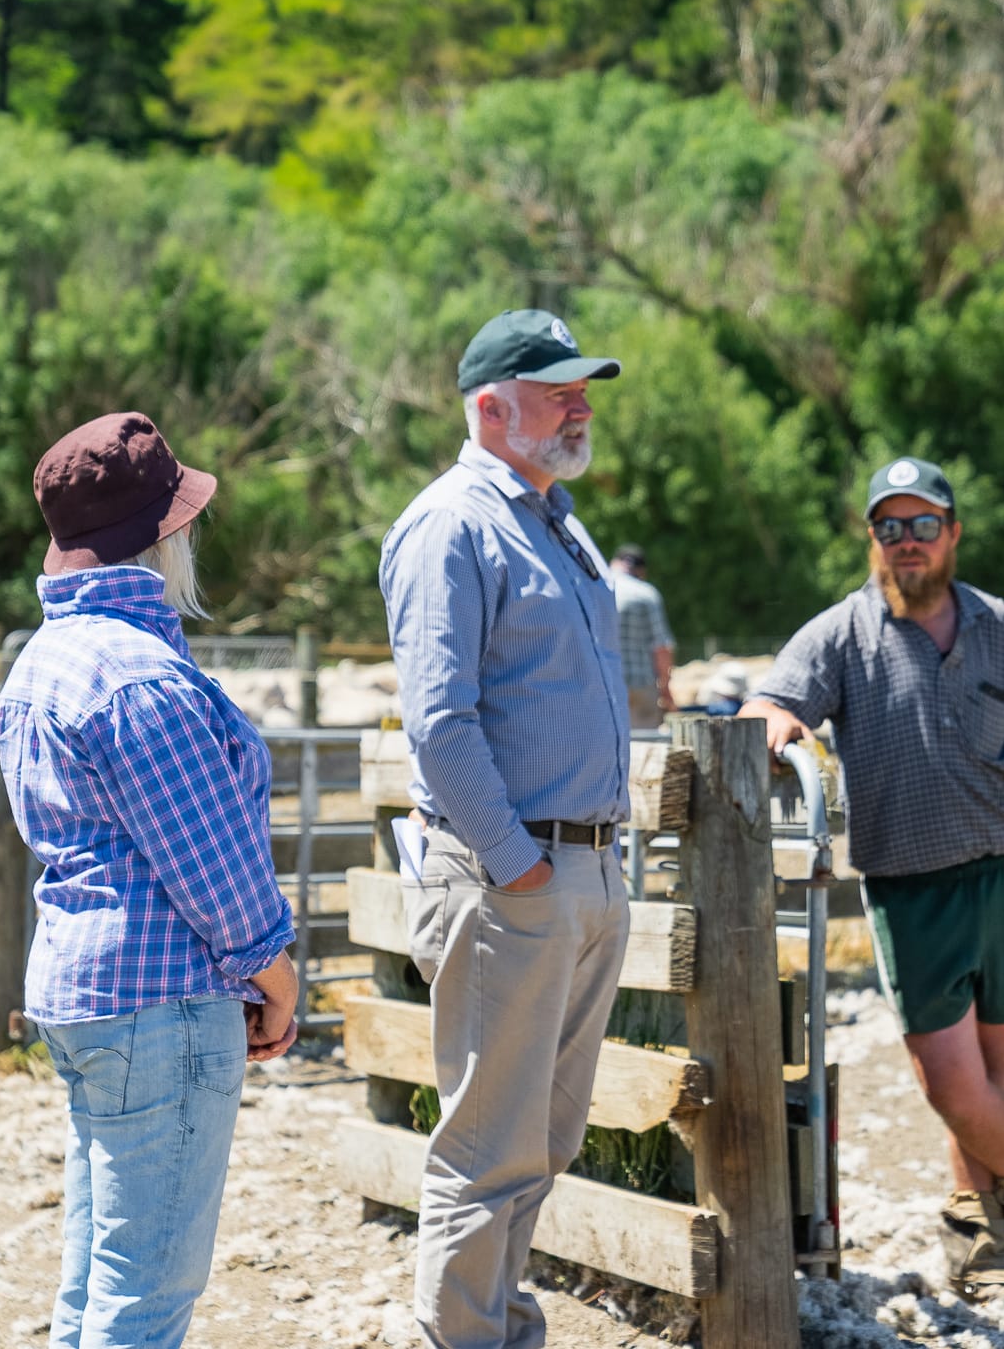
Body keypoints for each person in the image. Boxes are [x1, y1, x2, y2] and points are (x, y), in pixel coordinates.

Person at [742, 457, 1004, 1321]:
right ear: (873, 540)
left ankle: (980, 1244)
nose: (906, 542)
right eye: (888, 527)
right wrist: (776, 724)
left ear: (951, 532)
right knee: (952, 1087)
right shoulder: (844, 633)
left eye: (922, 525)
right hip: (910, 887)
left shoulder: (1000, 627)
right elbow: (770, 700)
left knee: (987, 1077)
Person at [0, 412, 301, 1349]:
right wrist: (276, 977)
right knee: (148, 1294)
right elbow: (214, 866)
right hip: (161, 1000)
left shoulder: (40, 663)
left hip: (85, 994)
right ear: (161, 535)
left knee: (97, 1278)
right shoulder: (140, 674)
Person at [378, 309, 632, 1349]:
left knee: (543, 1137)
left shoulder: (549, 516)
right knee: (489, 1146)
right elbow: (437, 722)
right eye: (558, 388)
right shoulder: (450, 523)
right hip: (513, 875)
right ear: (489, 408)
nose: (580, 404)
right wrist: (517, 864)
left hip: (575, 870)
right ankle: (458, 1338)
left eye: (583, 386)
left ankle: (493, 1326)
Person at [607, 543, 676, 728]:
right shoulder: (646, 594)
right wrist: (666, 690)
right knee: (645, 747)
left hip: (606, 684)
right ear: (641, 570)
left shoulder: (595, 588)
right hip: (641, 685)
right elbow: (662, 647)